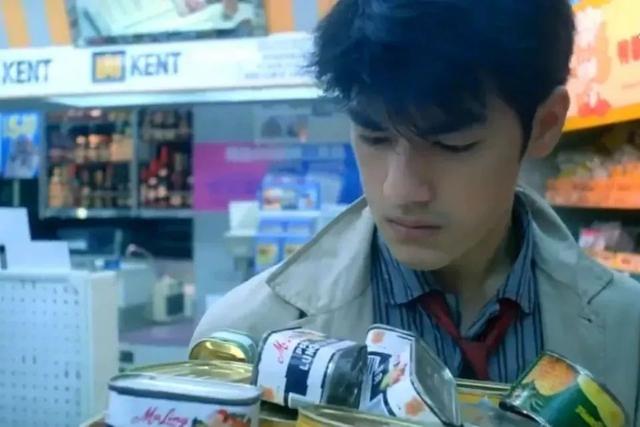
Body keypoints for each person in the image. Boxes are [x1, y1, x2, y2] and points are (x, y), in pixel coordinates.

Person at [192, 0, 640, 421]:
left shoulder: (628, 332)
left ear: (544, 126)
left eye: (452, 145)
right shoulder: (246, 335)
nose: (401, 189)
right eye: (374, 138)